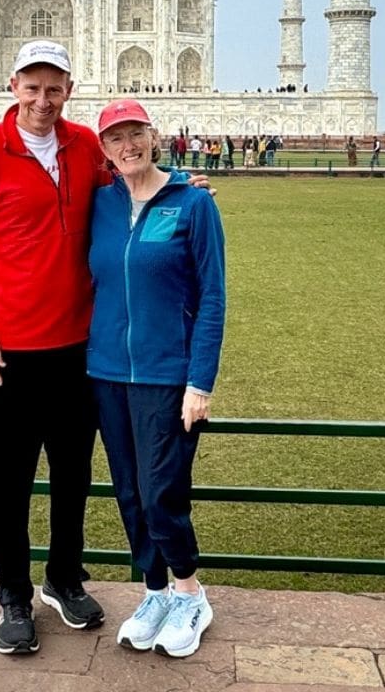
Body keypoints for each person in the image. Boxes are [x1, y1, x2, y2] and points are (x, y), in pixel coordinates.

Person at [0, 40, 107, 655]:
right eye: (33, 87)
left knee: (73, 476)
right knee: (7, 483)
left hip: (77, 348)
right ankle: (12, 593)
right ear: (12, 85)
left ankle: (63, 579)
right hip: (6, 355)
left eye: (55, 88)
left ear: (69, 89)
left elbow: (126, 186)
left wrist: (180, 190)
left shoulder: (85, 145)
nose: (43, 100)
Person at [88, 99, 225, 658]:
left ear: (154, 134)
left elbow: (213, 298)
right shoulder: (101, 204)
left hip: (167, 375)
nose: (128, 146)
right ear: (104, 150)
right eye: (115, 139)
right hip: (106, 372)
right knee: (128, 491)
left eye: (135, 134)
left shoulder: (192, 203)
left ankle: (190, 593)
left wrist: (201, 382)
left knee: (160, 490)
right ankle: (154, 591)